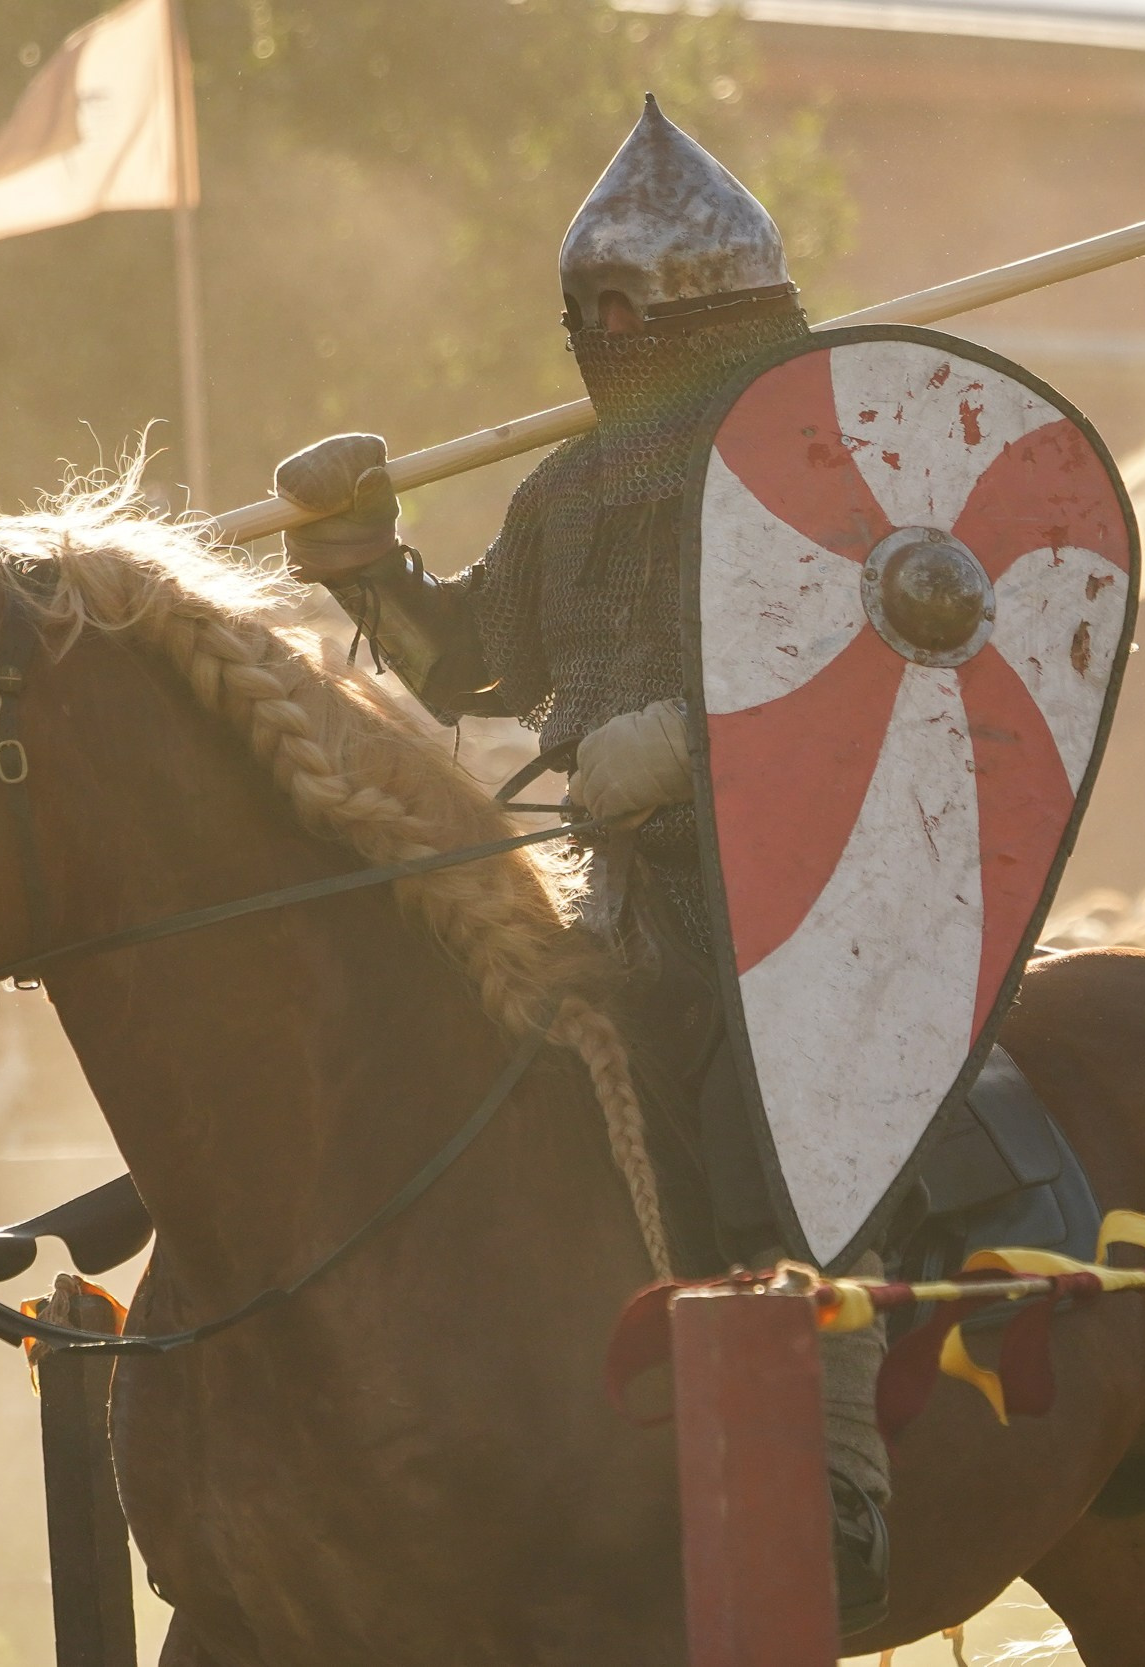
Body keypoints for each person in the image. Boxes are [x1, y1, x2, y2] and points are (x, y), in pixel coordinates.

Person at [273, 97, 893, 1622]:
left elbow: (874, 654)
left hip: (795, 904)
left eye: (624, 305)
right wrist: (366, 552)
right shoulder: (573, 488)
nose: (603, 328)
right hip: (627, 904)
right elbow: (476, 664)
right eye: (587, 309)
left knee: (766, 1122)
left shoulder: (816, 455)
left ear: (705, 308)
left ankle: (841, 1474)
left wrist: (690, 739)